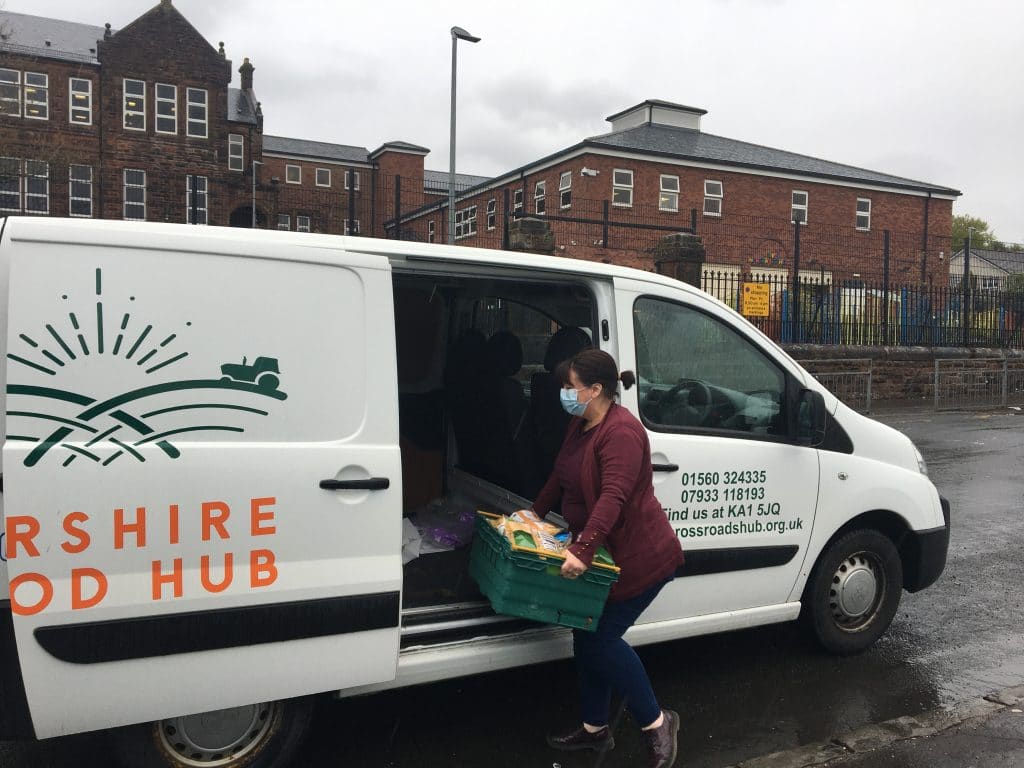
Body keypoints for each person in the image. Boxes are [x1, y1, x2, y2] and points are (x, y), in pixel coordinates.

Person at [525, 348, 686, 768]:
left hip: (639, 557)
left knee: (601, 640)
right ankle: (594, 728)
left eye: (570, 386)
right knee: (587, 636)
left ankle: (657, 723)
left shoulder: (622, 433)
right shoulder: (580, 424)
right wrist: (533, 515)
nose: (563, 393)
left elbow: (613, 496)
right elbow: (560, 475)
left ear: (595, 389)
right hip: (603, 555)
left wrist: (582, 549)